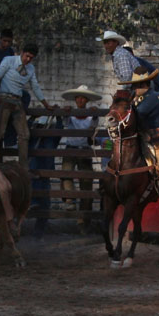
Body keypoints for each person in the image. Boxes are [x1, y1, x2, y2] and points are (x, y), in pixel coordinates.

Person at [119, 67, 159, 211]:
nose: (134, 89)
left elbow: (138, 113)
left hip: (158, 139)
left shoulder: (154, 97)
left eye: (136, 86)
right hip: (141, 137)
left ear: (144, 85)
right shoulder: (136, 99)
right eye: (133, 86)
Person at [0, 43, 53, 166]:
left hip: (17, 101)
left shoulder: (31, 69)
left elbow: (35, 86)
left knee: (24, 135)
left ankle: (23, 167)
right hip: (4, 99)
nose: (28, 59)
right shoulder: (9, 60)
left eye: (31, 58)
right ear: (22, 52)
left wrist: (45, 104)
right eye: (27, 56)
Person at [59, 85, 101, 231]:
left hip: (84, 150)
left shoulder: (91, 115)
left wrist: (95, 114)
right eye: (78, 98)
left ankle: (83, 220)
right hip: (71, 148)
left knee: (86, 184)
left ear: (87, 100)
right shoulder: (70, 113)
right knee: (66, 174)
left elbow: (94, 125)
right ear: (75, 100)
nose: (80, 100)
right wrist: (65, 112)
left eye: (83, 98)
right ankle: (70, 199)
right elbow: (65, 122)